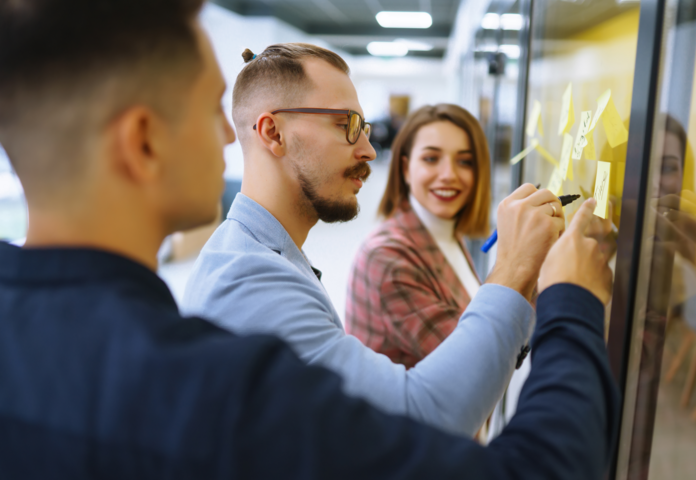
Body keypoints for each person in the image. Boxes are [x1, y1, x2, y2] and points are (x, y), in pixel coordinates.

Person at [0, 0, 619, 477]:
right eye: (212, 107)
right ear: (143, 140)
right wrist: (562, 297)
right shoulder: (206, 373)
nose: (226, 134)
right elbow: (514, 458)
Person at [183, 43, 565, 437]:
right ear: (273, 133)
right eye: (345, 125)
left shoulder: (263, 255)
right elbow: (424, 415)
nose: (367, 150)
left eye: (363, 129)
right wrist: (515, 267)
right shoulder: (249, 282)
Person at [345, 104, 493, 369]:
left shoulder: (445, 231)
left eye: (465, 161)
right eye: (431, 159)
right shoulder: (387, 257)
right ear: (405, 169)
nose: (449, 175)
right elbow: (479, 360)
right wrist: (519, 260)